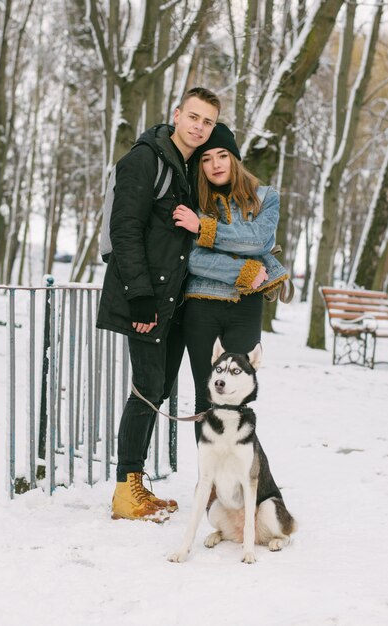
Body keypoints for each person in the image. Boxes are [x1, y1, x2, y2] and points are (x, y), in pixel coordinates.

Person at [96, 87, 221, 522]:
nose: (199, 127)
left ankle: (135, 486)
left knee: (155, 390)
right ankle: (125, 490)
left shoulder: (185, 167)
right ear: (177, 114)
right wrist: (141, 299)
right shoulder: (145, 159)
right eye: (194, 117)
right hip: (146, 299)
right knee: (147, 387)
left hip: (171, 301)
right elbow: (126, 230)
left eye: (207, 122)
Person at [172, 123, 289, 438]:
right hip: (200, 307)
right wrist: (241, 272)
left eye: (222, 155)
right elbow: (190, 258)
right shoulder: (193, 200)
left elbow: (258, 241)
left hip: (244, 308)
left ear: (235, 158)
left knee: (239, 396)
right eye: (206, 159)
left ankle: (238, 477)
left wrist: (205, 230)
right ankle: (209, 484)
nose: (215, 164)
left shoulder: (264, 197)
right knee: (206, 395)